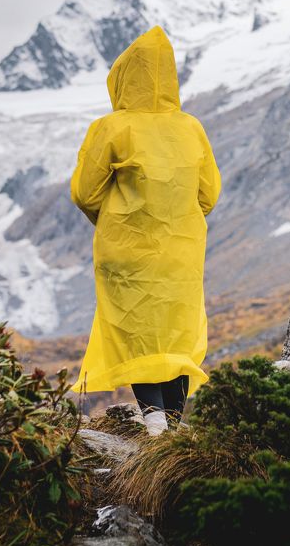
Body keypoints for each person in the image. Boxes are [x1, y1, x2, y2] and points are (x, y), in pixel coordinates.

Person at [69, 25, 221, 435]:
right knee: (175, 331)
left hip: (126, 249)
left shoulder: (111, 128)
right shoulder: (191, 127)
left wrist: (118, 217)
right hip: (182, 250)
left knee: (137, 330)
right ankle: (173, 424)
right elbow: (209, 194)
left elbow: (85, 192)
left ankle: (153, 421)